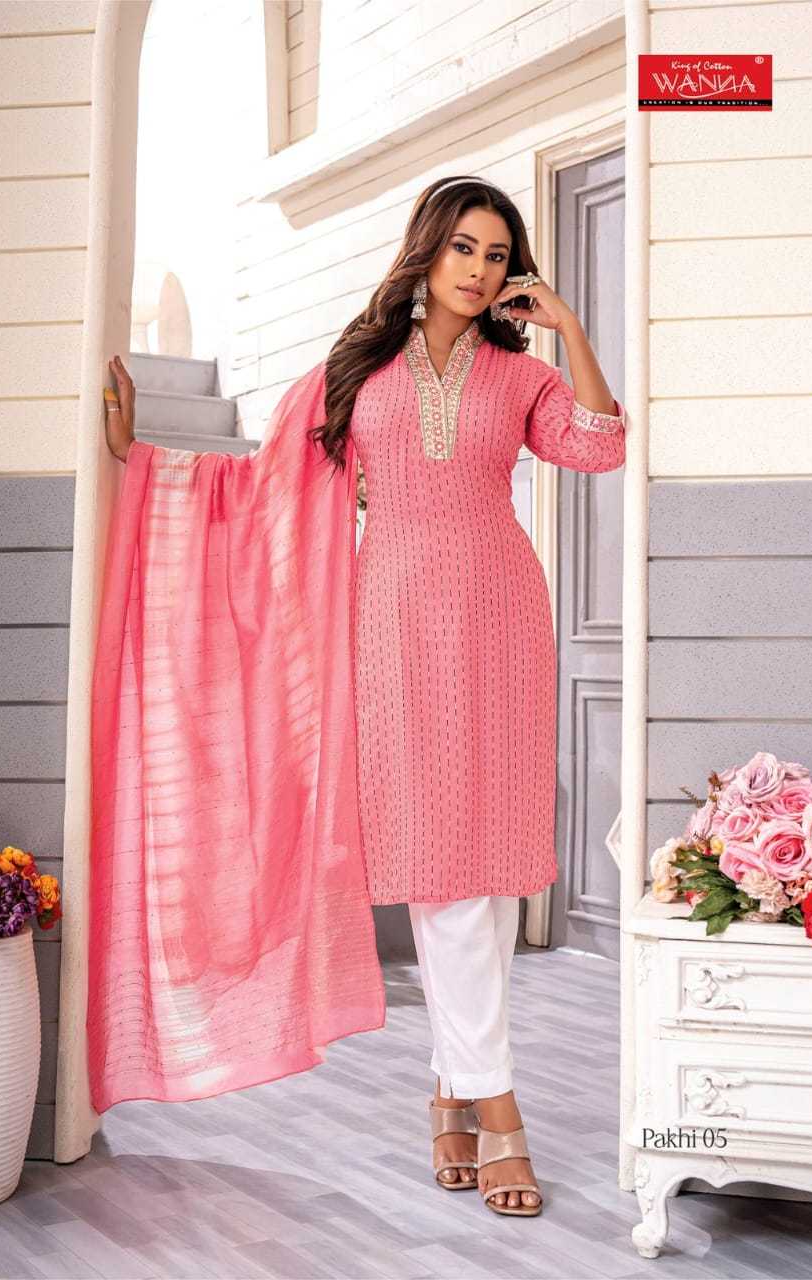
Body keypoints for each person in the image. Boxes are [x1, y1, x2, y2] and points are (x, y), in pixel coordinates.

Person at [97, 175, 626, 1219]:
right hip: (392, 629)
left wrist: (567, 329)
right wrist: (145, 455)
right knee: (442, 871)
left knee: (485, 875)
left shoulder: (521, 378)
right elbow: (261, 485)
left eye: (497, 254)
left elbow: (601, 445)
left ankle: (453, 1089)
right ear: (427, 250)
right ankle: (497, 1104)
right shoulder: (360, 370)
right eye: (464, 247)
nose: (479, 269)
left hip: (503, 623)